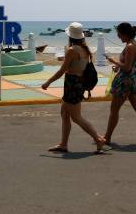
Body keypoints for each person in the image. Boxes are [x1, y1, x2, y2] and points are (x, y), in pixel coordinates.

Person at [41, 22, 105, 154]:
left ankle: (98, 138)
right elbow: (76, 65)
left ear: (70, 36)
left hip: (72, 84)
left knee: (76, 117)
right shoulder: (84, 48)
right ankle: (63, 144)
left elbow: (62, 70)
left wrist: (48, 82)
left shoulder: (72, 50)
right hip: (78, 83)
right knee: (65, 114)